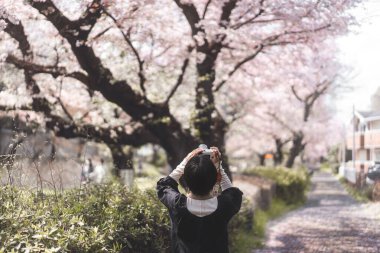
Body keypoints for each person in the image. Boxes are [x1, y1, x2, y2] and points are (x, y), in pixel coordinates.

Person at [157, 147, 243, 253]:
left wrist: (185, 162)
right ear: (214, 180)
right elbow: (232, 193)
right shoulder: (224, 206)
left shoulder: (177, 205)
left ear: (186, 180)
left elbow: (164, 185)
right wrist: (218, 167)